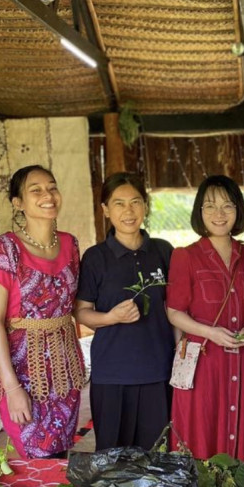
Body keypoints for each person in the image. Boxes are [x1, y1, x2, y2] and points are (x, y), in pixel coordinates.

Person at [0, 166, 85, 459]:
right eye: (36, 190)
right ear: (18, 203)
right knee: (34, 457)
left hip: (66, 373)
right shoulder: (5, 249)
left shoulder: (70, 243)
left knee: (60, 458)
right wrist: (12, 388)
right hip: (24, 374)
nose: (48, 195)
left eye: (52, 187)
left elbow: (74, 306)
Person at [166, 175, 244, 460]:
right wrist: (211, 332)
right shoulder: (185, 256)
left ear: (239, 210)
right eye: (210, 206)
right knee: (201, 432)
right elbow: (174, 312)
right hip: (203, 362)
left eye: (227, 205)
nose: (219, 214)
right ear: (199, 211)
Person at [75, 172, 173, 451]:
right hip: (112, 373)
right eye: (118, 203)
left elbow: (175, 308)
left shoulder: (163, 251)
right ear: (105, 209)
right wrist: (110, 318)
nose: (128, 211)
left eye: (135, 202)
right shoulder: (96, 257)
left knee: (157, 455)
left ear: (145, 205)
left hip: (158, 369)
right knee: (112, 456)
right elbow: (81, 312)